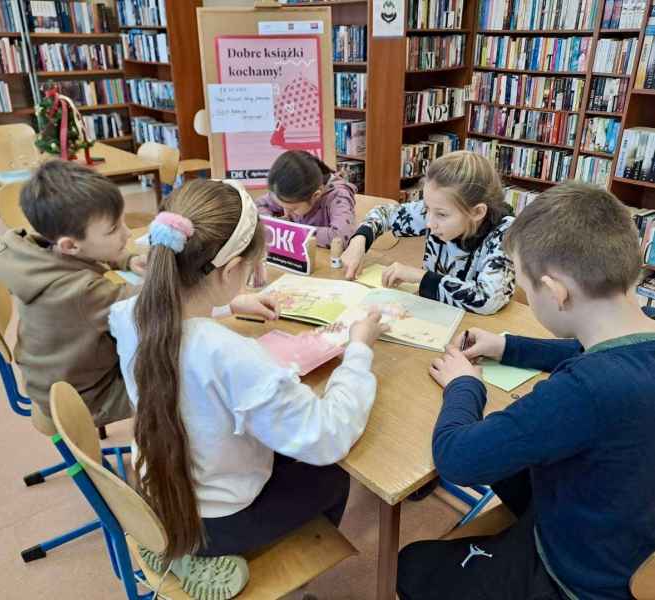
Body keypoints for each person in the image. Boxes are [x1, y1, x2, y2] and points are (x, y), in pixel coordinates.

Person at [109, 179, 386, 599]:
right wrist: (360, 352)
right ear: (230, 270)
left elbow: (176, 315)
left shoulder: (128, 313)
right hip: (210, 523)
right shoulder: (231, 356)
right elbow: (328, 436)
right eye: (254, 267)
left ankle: (172, 548)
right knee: (331, 474)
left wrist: (225, 305)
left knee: (270, 441)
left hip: (152, 493)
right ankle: (264, 578)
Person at [397, 182, 655, 600]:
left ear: (555, 292)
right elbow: (592, 346)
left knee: (411, 565)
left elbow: (457, 459)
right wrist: (508, 346)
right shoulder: (637, 333)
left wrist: (465, 386)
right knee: (515, 461)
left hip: (580, 579)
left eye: (524, 285)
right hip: (628, 525)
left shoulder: (586, 390)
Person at [0, 160, 145, 427]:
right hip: (88, 398)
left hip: (51, 380)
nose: (127, 232)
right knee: (181, 370)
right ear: (70, 245)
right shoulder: (82, 292)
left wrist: (126, 260)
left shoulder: (38, 250)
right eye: (113, 229)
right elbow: (149, 301)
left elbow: (86, 255)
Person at [341, 150, 515, 315]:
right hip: (432, 314)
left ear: (477, 212)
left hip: (474, 329)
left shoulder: (505, 234)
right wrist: (359, 240)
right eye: (427, 209)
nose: (429, 223)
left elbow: (487, 299)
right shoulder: (436, 208)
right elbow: (383, 214)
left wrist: (420, 277)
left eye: (441, 215)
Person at [255, 150, 357, 248]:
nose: (286, 213)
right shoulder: (286, 194)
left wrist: (290, 232)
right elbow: (258, 205)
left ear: (315, 195)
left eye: (293, 209)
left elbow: (342, 237)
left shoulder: (338, 195)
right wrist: (273, 225)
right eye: (282, 206)